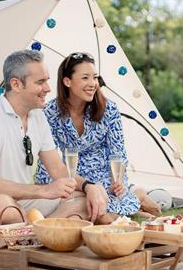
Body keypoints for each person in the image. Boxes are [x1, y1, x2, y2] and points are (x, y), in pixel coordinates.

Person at [0, 49, 88, 224]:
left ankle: (36, 230)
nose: (48, 88)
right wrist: (43, 191)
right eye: (40, 82)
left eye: (47, 81)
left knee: (83, 200)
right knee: (3, 206)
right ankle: (41, 228)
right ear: (16, 84)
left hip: (23, 200)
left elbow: (58, 169)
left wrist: (89, 187)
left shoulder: (38, 116)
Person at [34, 52, 143, 224]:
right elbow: (50, 161)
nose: (93, 83)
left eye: (95, 77)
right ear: (67, 81)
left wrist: (117, 180)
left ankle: (128, 202)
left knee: (102, 194)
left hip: (102, 174)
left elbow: (118, 152)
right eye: (85, 78)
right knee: (73, 195)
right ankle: (130, 204)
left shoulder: (109, 109)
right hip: (66, 174)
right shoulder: (49, 112)